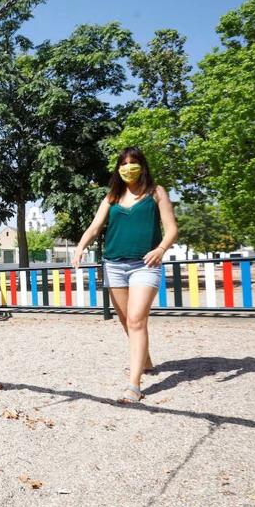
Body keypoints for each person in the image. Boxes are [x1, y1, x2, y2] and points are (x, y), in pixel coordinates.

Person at [71, 147, 177, 404]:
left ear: (142, 165)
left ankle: (134, 384)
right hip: (114, 265)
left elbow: (172, 229)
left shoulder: (156, 192)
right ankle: (146, 359)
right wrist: (80, 247)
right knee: (125, 320)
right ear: (118, 169)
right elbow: (95, 227)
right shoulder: (112, 196)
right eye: (124, 164)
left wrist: (161, 249)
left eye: (134, 163)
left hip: (145, 264)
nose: (129, 167)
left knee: (136, 319)